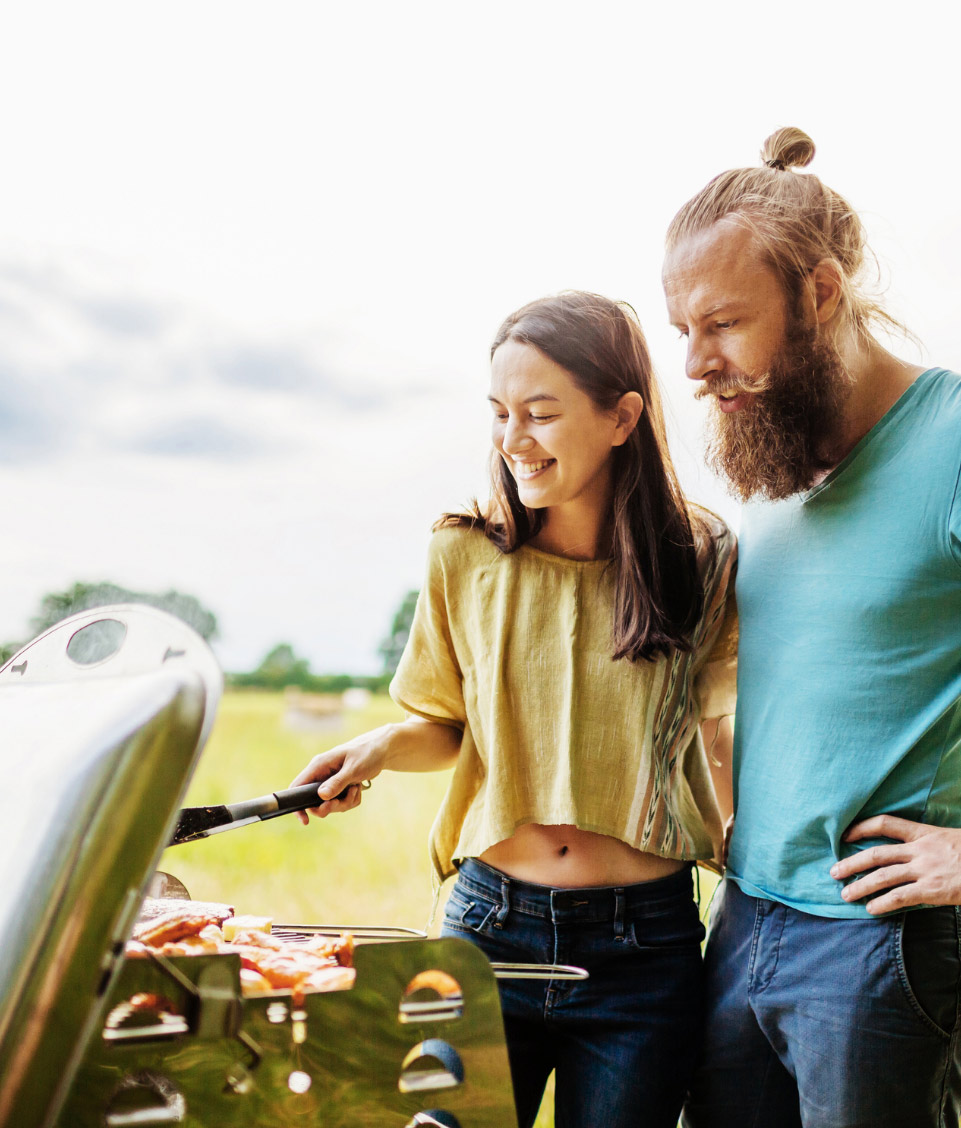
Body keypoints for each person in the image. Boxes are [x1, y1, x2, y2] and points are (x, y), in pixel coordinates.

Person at [290, 291, 738, 1128]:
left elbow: (715, 729)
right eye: (498, 413)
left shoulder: (700, 556)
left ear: (621, 417)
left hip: (644, 948)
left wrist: (753, 868)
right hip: (488, 928)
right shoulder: (461, 551)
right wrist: (383, 746)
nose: (511, 440)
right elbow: (448, 726)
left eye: (538, 413)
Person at [662, 126, 961, 1128]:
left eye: (723, 324)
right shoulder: (769, 468)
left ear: (821, 293)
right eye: (681, 332)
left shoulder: (952, 437)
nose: (697, 364)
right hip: (747, 922)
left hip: (879, 942)